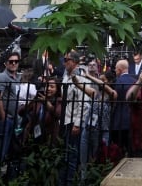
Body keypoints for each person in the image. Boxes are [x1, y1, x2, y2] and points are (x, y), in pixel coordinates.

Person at [0, 51, 22, 179]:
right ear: (5, 63)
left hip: (11, 119)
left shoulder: (16, 78)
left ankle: (0, 178)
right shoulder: (2, 77)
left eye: (16, 61)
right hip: (1, 120)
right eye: (11, 61)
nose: (13, 63)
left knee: (6, 152)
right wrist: (4, 117)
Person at [60, 50, 91, 185]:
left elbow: (83, 103)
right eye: (64, 59)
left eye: (67, 60)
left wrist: (77, 123)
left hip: (73, 121)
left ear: (74, 62)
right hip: (66, 119)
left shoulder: (81, 76)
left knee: (72, 155)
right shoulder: (66, 75)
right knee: (66, 155)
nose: (64, 62)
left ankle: (70, 182)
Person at [21, 76, 62, 147]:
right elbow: (21, 112)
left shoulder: (59, 101)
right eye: (47, 86)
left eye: (52, 87)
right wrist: (34, 100)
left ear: (57, 90)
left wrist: (47, 104)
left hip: (49, 136)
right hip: (33, 134)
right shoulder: (39, 100)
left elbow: (58, 114)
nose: (48, 88)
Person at [110, 59, 135, 157]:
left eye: (116, 69)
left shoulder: (118, 81)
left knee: (118, 150)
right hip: (131, 120)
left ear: (120, 70)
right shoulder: (135, 81)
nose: (115, 71)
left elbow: (114, 100)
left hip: (118, 121)